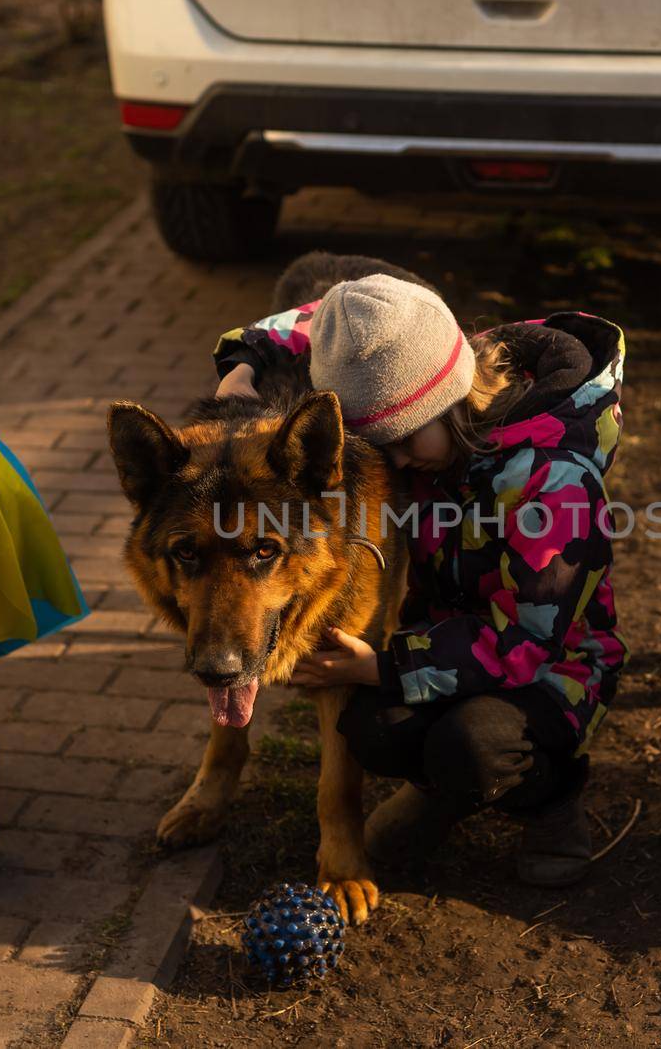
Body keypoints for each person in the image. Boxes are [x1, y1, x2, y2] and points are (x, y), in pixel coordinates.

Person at [214, 273, 628, 886]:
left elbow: (524, 644)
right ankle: (441, 790)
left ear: (445, 397)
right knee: (367, 728)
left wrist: (382, 667)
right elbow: (316, 325)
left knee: (472, 747)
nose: (397, 462)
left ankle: (552, 804)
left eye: (403, 441)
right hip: (446, 641)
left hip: (552, 670)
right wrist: (242, 363)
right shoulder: (433, 364)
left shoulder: (552, 479)